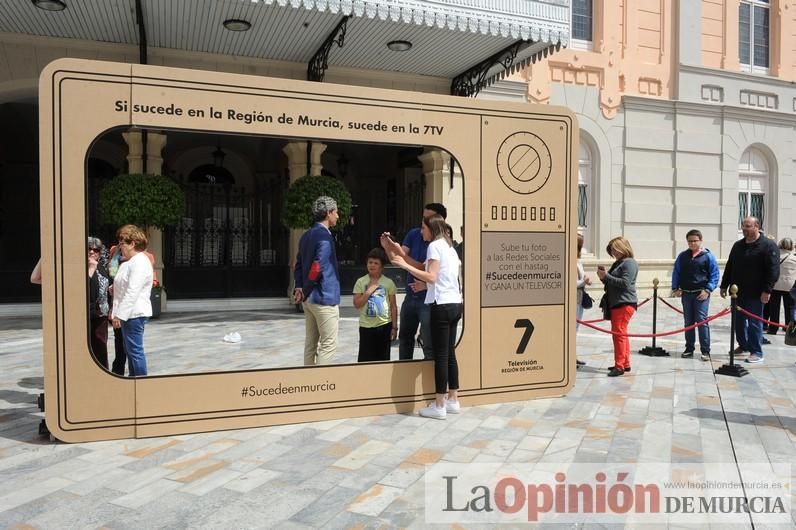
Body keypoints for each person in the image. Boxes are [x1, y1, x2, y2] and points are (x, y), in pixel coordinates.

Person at [384, 214, 462, 419]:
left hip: (442, 305)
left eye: (423, 227)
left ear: (431, 228)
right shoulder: (449, 248)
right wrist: (396, 249)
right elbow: (428, 270)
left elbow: (431, 276)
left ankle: (439, 405)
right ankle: (453, 399)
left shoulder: (434, 246)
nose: (420, 231)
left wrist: (404, 266)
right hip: (455, 304)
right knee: (450, 354)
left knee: (441, 356)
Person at [385, 203, 447, 361]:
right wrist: (388, 248)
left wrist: (402, 259)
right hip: (411, 296)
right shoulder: (414, 234)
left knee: (428, 342)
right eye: (423, 218)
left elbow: (426, 269)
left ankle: (430, 376)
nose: (423, 222)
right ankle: (404, 374)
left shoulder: (440, 244)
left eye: (428, 218)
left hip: (429, 300)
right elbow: (398, 259)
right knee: (405, 338)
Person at [720, 217, 780, 364]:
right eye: (743, 226)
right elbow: (730, 266)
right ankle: (743, 345)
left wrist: (767, 290)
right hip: (737, 294)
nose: (744, 229)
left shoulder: (768, 246)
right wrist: (724, 285)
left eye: (748, 226)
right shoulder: (738, 245)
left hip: (756, 293)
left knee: (754, 324)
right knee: (738, 323)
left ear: (757, 226)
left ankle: (756, 351)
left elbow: (773, 271)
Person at [293, 196, 341, 366]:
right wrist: (305, 288)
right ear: (328, 213)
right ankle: (321, 385)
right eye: (336, 212)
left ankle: (309, 383)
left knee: (310, 345)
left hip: (309, 300)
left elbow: (297, 264)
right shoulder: (324, 237)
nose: (338, 216)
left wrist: (299, 287)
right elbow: (317, 266)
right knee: (329, 344)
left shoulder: (306, 235)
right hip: (323, 297)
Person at [108, 225, 156, 376]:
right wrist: (113, 287)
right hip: (129, 314)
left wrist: (119, 315)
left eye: (122, 243)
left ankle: (141, 384)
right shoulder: (130, 261)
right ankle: (134, 381)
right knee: (130, 351)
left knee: (135, 352)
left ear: (132, 244)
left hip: (133, 314)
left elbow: (132, 291)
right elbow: (125, 284)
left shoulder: (140, 262)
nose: (120, 247)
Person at [671, 229, 720, 361]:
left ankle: (705, 350)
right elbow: (676, 272)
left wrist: (708, 290)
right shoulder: (683, 256)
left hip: (701, 294)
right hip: (686, 294)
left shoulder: (708, 256)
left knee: (702, 321)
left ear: (700, 240)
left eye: (695, 241)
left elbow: (714, 275)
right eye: (690, 241)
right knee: (688, 322)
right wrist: (675, 288)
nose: (692, 243)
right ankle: (689, 348)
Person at [597, 237, 638, 377]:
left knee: (618, 335)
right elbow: (613, 283)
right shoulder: (619, 263)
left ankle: (619, 366)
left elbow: (625, 283)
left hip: (624, 303)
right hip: (619, 302)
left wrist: (606, 276)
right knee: (622, 334)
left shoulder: (629, 263)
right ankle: (625, 364)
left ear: (622, 247)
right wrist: (603, 277)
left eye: (615, 249)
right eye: (612, 250)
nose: (613, 252)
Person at [353, 248, 398, 362]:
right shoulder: (361, 282)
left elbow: (393, 306)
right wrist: (368, 292)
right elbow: (357, 304)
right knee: (365, 360)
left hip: (384, 325)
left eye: (376, 263)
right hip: (366, 327)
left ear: (382, 267)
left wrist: (394, 327)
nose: (372, 265)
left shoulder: (388, 283)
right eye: (370, 262)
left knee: (383, 359)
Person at [87, 236, 111, 370]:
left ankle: (103, 373)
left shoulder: (101, 267)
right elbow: (81, 290)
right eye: (89, 249)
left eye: (96, 250)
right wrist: (90, 269)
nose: (92, 252)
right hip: (87, 315)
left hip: (101, 314)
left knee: (101, 346)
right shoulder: (80, 268)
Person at [767, 237, 796, 334]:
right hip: (789, 285)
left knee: (774, 308)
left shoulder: (776, 255)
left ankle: (773, 328)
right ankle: (788, 327)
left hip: (776, 285)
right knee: (789, 308)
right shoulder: (794, 258)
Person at [575, 234, 591, 368]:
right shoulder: (569, 260)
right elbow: (570, 283)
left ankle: (572, 356)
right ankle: (569, 357)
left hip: (579, 298)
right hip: (573, 298)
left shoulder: (578, 261)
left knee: (575, 329)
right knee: (571, 329)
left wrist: (585, 280)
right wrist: (583, 281)